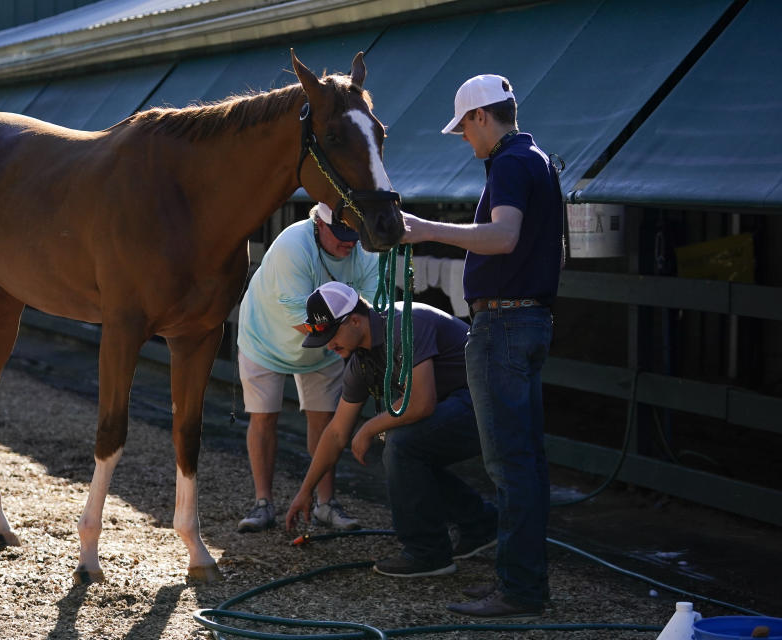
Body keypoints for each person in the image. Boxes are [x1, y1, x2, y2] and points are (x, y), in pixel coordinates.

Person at [400, 75, 563, 617]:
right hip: (531, 322)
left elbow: (503, 237)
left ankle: (517, 591)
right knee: (527, 463)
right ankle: (524, 583)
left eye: (463, 129)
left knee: (510, 465)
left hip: (504, 326)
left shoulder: (511, 163)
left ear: (479, 118)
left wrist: (424, 228)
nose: (464, 142)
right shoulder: (536, 158)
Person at [285, 281, 497, 577]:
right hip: (458, 403)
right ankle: (481, 524)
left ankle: (428, 553)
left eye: (333, 336)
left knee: (400, 444)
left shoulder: (405, 324)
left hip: (492, 400)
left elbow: (422, 402)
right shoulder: (360, 361)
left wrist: (369, 428)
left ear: (355, 320)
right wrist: (305, 491)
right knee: (406, 450)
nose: (331, 347)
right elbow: (335, 433)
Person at [236, 203, 379, 533]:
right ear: (319, 225)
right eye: (341, 234)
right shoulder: (292, 246)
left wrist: (347, 345)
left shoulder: (364, 252)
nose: (350, 242)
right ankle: (263, 503)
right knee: (264, 416)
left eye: (354, 234)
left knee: (324, 419)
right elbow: (297, 316)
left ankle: (325, 504)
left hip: (330, 342)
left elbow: (370, 315)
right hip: (267, 334)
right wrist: (342, 339)